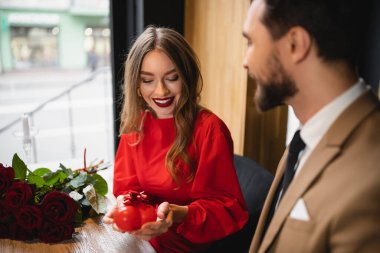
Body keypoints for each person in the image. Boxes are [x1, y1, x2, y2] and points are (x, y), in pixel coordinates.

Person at [242, 0, 380, 252]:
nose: (246, 62)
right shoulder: (305, 139)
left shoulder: (371, 175)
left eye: (251, 43)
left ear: (295, 44)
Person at [102, 26, 248, 253]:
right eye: (147, 80)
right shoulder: (135, 126)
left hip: (187, 246)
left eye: (172, 78)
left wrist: (178, 213)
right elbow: (127, 187)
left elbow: (228, 209)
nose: (161, 91)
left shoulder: (209, 129)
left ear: (186, 77)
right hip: (144, 239)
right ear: (137, 86)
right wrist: (128, 210)